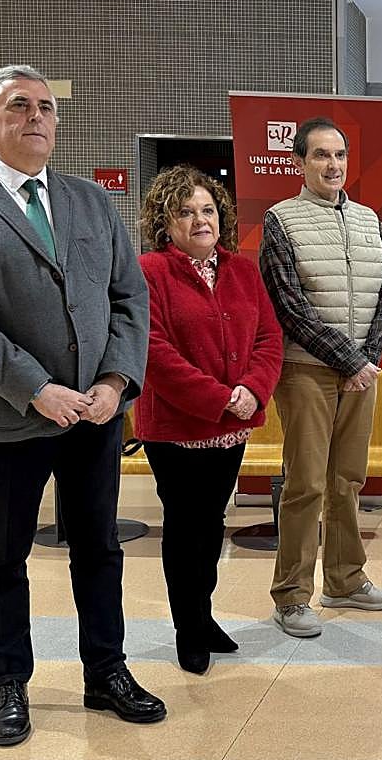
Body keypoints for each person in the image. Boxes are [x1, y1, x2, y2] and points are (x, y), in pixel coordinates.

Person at [0, 65, 164, 746]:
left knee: (99, 549)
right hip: (8, 416)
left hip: (92, 415)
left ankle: (105, 672)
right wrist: (32, 386)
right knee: (1, 555)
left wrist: (114, 381)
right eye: (19, 107)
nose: (37, 118)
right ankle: (9, 684)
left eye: (47, 107)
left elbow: (128, 299)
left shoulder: (91, 203)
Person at [135, 165, 282, 674]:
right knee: (184, 526)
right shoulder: (149, 271)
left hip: (232, 424)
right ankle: (188, 627)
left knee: (213, 522)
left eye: (208, 210)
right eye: (186, 211)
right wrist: (219, 397)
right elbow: (152, 351)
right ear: (165, 221)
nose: (201, 220)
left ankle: (203, 614)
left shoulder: (243, 270)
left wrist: (253, 390)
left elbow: (268, 338)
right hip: (177, 428)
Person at [260, 116, 382, 638]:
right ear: (299, 162)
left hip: (361, 372)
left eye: (339, 155)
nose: (332, 165)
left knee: (348, 480)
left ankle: (345, 579)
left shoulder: (369, 220)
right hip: (306, 372)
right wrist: (349, 360)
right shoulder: (281, 220)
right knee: (306, 484)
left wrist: (366, 360)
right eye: (320, 155)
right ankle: (292, 596)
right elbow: (288, 306)